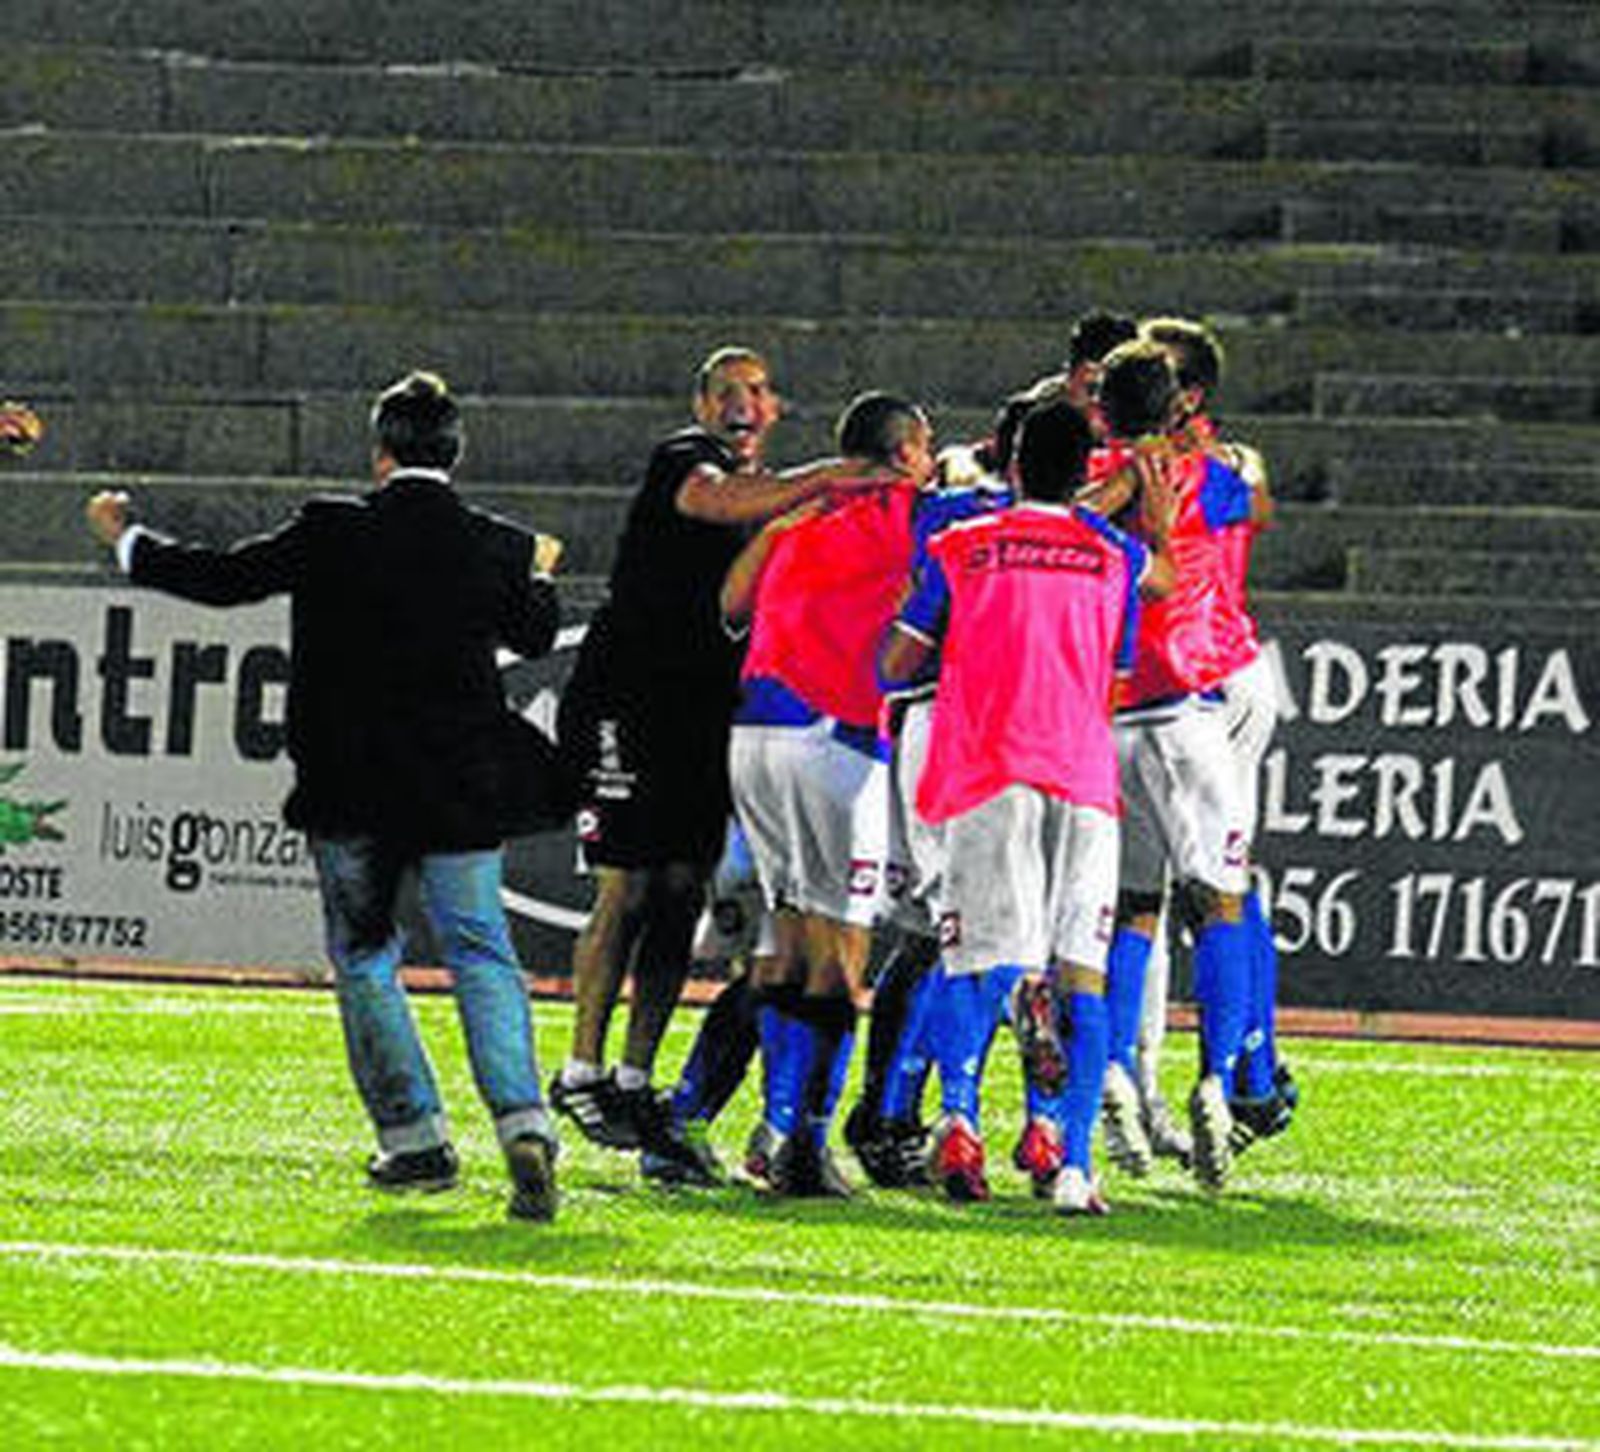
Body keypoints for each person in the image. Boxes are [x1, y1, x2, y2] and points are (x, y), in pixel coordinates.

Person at [85, 370, 567, 1221]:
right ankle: (523, 1122)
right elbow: (533, 631)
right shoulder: (494, 541)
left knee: (367, 958)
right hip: (459, 789)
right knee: (482, 950)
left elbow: (221, 579)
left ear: (380, 453)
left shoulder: (331, 528)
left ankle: (414, 1138)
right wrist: (539, 574)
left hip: (352, 788)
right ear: (455, 453)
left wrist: (125, 538)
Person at [551, 347, 896, 1174]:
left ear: (774, 408)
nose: (745, 403)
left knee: (678, 892)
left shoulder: (778, 505)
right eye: (729, 391)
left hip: (707, 715)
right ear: (702, 404)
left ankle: (637, 1078)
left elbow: (742, 598)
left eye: (758, 391)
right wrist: (824, 480)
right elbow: (711, 503)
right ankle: (581, 1069)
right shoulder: (690, 461)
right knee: (627, 884)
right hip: (625, 698)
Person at [882, 399, 1173, 1214]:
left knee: (976, 961)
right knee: (1083, 970)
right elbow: (1127, 662)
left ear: (1011, 467)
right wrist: (1157, 516)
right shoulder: (1112, 555)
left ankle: (960, 1117)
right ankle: (1073, 1165)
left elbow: (898, 660)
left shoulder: (960, 545)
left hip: (984, 771)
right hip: (1081, 777)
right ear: (1088, 473)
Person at [723, 391, 932, 1195]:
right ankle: (805, 1142)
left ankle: (774, 1130)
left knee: (784, 944)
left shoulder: (801, 513)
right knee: (841, 957)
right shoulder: (913, 510)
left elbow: (731, 605)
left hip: (755, 734)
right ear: (905, 451)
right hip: (834, 736)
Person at [1083, 338, 1271, 1192]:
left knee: (1132, 908)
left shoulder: (1088, 472)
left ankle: (1120, 1070)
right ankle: (1214, 1081)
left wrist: (1120, 479)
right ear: (1175, 407)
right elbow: (1249, 506)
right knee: (1221, 898)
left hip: (1111, 713)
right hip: (1186, 706)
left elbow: (1077, 509)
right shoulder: (1208, 473)